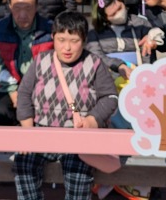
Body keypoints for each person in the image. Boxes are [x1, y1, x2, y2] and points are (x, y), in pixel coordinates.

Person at [15, 11, 118, 200]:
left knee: (78, 176)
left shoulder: (94, 63)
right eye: (61, 40)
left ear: (84, 40)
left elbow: (110, 97)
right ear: (53, 37)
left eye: (74, 40)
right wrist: (28, 131)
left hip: (77, 136)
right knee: (24, 165)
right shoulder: (41, 61)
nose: (67, 47)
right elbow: (24, 94)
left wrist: (92, 119)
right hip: (41, 132)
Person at [0, 0, 53, 126]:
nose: (22, 14)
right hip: (9, 85)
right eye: (17, 8)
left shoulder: (50, 30)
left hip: (42, 86)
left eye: (28, 8)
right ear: (10, 7)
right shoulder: (0, 29)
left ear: (36, 7)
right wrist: (12, 89)